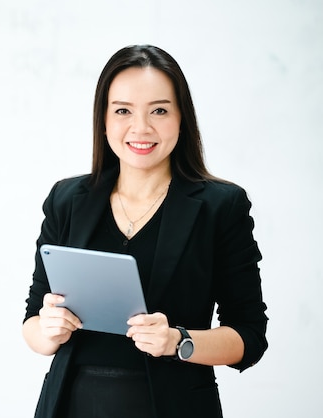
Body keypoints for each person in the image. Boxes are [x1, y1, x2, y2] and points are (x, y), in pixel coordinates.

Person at [22, 45, 268, 418]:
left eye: (159, 110)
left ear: (181, 117)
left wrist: (178, 341)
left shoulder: (222, 206)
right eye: (123, 110)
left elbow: (249, 337)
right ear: (103, 120)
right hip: (72, 404)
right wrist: (49, 329)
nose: (141, 128)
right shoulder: (67, 199)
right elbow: (33, 324)